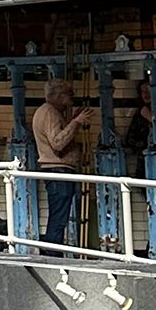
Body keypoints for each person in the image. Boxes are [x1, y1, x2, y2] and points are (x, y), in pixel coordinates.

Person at [32, 77, 94, 249]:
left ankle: (52, 253)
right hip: (58, 170)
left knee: (58, 216)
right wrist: (75, 123)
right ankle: (52, 256)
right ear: (59, 96)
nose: (72, 98)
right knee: (59, 219)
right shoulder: (50, 112)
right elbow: (58, 142)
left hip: (56, 170)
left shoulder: (45, 112)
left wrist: (72, 120)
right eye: (69, 94)